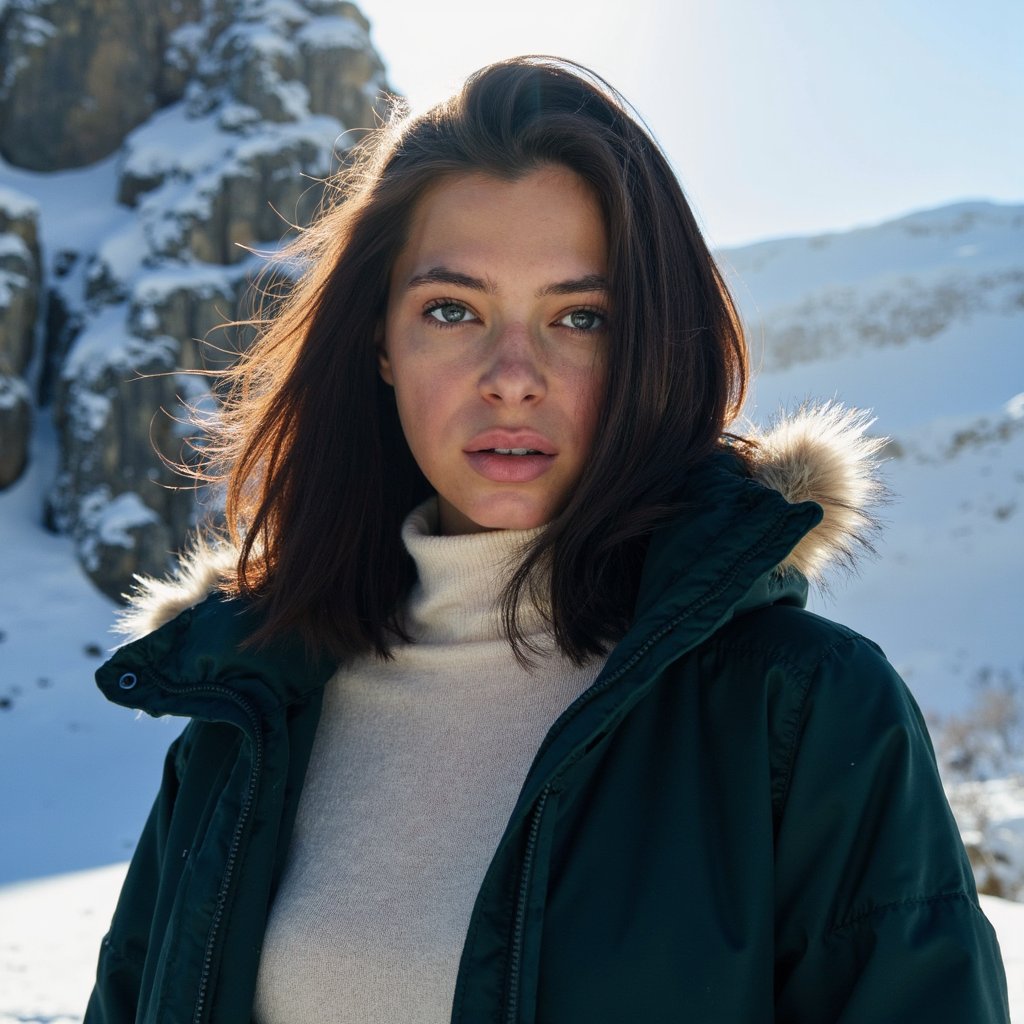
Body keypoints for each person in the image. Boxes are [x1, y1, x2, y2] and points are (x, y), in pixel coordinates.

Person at [84, 56, 1009, 1023]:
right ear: (380, 345)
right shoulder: (249, 708)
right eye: (453, 310)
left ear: (652, 346)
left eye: (580, 317)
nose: (513, 375)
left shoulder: (801, 710)